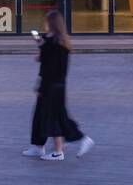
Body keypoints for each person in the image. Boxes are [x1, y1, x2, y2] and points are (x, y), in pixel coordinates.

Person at [24, 10, 94, 160]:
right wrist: (41, 47)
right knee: (44, 114)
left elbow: (50, 65)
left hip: (52, 84)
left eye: (47, 22)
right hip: (55, 83)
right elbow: (46, 59)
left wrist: (41, 84)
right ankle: (39, 146)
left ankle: (61, 149)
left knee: (54, 116)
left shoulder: (55, 43)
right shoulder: (57, 41)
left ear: (52, 24)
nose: (45, 24)